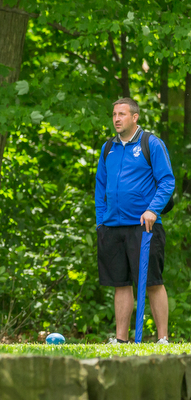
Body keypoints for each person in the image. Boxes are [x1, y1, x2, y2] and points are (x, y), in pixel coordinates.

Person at [95, 97, 175, 344]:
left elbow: (167, 181)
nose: (116, 119)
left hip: (145, 226)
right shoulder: (109, 148)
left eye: (122, 114)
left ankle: (162, 338)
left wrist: (153, 209)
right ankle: (121, 339)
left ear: (134, 117)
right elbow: (100, 186)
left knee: (152, 282)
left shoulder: (151, 143)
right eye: (114, 114)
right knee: (120, 283)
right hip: (112, 226)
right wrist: (101, 220)